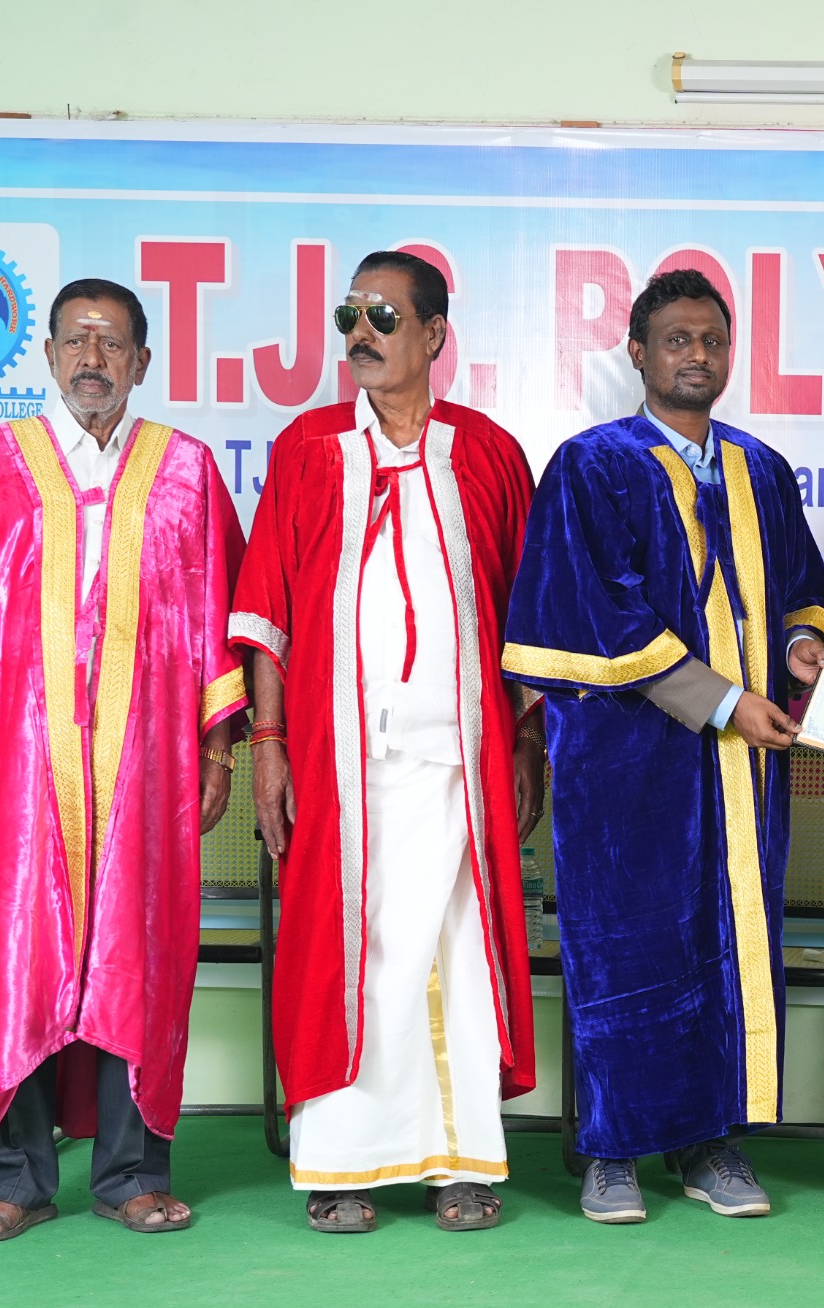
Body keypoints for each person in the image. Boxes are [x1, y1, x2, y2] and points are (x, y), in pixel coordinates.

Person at [0, 279, 245, 1242]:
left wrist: (218, 751)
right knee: (14, 959)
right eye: (76, 341)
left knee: (140, 956)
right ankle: (15, 1177)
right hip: (16, 769)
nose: (94, 359)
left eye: (113, 343)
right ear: (48, 355)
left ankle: (132, 1174)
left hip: (147, 771)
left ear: (142, 362)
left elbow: (216, 621)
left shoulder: (185, 470)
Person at [503, 268, 824, 1224]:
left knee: (727, 946)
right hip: (624, 766)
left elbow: (802, 592)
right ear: (639, 353)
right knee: (626, 948)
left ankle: (713, 1142)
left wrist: (802, 648)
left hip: (742, 766)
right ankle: (610, 1149)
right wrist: (723, 701)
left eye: (712, 341)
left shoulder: (762, 469)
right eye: (678, 340)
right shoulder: (592, 465)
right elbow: (595, 615)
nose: (697, 356)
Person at [228, 250, 540, 1234]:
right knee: (346, 952)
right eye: (349, 316)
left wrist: (526, 745)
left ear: (435, 334)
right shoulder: (307, 448)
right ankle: (339, 1163)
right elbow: (267, 613)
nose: (361, 334)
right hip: (340, 763)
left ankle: (460, 1163)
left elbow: (529, 619)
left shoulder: (488, 453)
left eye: (383, 317)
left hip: (462, 763)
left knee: (458, 950)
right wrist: (268, 743)